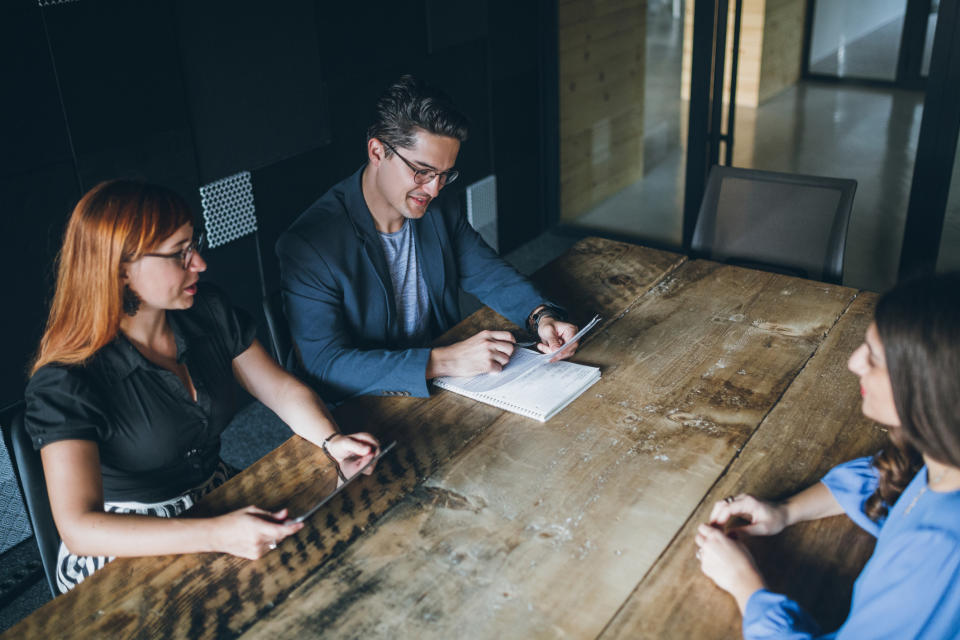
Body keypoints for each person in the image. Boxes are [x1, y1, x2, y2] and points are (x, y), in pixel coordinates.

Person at [25, 180, 380, 593]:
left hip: (217, 496)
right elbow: (80, 531)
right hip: (125, 544)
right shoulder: (65, 379)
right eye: (179, 254)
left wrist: (331, 439)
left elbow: (279, 390)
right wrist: (215, 534)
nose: (200, 263)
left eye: (194, 245)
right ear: (121, 269)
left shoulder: (206, 310)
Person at [276, 75, 580, 404]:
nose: (434, 189)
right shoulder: (310, 244)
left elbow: (489, 274)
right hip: (363, 408)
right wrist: (443, 360)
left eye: (444, 174)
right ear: (378, 152)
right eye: (422, 171)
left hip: (445, 384)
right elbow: (325, 364)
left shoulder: (437, 207)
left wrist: (541, 317)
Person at [694, 272, 960, 638]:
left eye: (876, 358)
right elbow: (885, 476)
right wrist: (786, 511)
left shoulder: (940, 553)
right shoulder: (943, 460)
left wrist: (745, 585)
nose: (853, 363)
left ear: (932, 387)